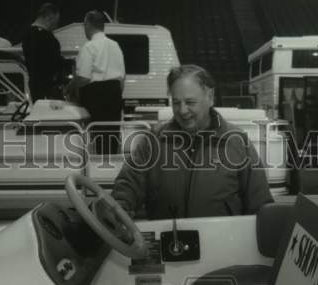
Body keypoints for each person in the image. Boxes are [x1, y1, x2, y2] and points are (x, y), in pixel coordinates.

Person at [111, 65, 274, 219]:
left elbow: (260, 204)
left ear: (210, 97)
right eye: (176, 103)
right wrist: (119, 208)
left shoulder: (237, 142)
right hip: (169, 238)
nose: (182, 111)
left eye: (190, 102)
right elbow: (127, 186)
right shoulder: (153, 140)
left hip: (223, 238)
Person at [68, 10, 125, 155]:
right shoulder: (116, 45)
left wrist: (70, 87)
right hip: (115, 94)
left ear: (88, 24)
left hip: (96, 97)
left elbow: (84, 78)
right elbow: (122, 78)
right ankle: (110, 165)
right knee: (112, 139)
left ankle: (96, 165)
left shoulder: (89, 47)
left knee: (96, 138)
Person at [21, 3, 65, 102]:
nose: (56, 26)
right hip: (47, 88)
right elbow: (53, 62)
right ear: (49, 17)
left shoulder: (27, 34)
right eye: (55, 21)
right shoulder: (46, 37)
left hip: (34, 85)